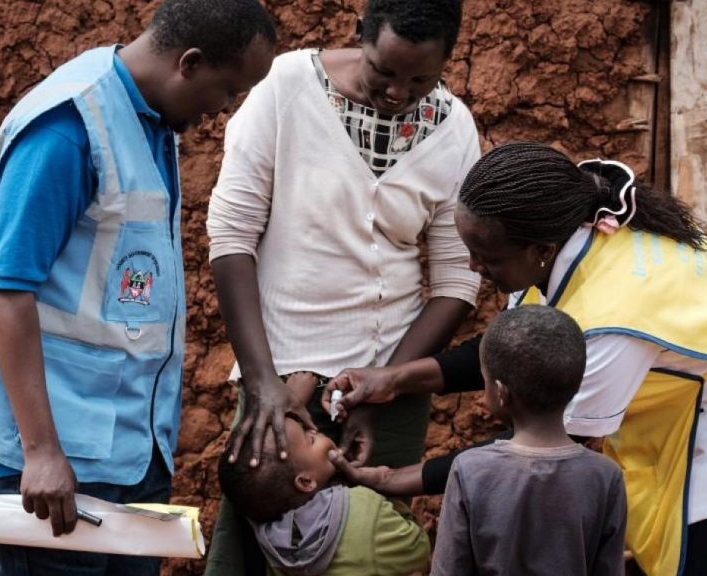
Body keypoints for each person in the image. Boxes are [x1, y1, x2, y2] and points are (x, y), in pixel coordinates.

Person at [324, 142, 707, 576]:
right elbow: (512, 350)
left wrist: (399, 478)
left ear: (537, 251)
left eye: (485, 256)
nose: (472, 267)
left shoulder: (608, 322)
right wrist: (395, 378)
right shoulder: (577, 228)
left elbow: (538, 446)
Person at [0, 1, 276, 574]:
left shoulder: (147, 116)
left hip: (126, 450)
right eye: (227, 90)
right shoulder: (68, 131)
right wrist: (41, 452)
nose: (223, 110)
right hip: (57, 461)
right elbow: (7, 289)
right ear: (190, 63)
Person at [205, 0, 481, 572]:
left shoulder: (453, 128)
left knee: (366, 553)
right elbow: (232, 235)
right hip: (280, 384)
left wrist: (388, 385)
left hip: (393, 389)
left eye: (421, 79)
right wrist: (262, 381)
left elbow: (457, 280)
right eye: (383, 71)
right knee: (245, 556)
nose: (399, 93)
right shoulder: (287, 87)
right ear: (360, 33)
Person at [429, 305, 626, 576]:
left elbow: (448, 570)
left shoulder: (471, 470)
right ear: (576, 384)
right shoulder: (605, 477)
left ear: (500, 392)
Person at [217, 373, 430, 576]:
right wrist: (381, 493)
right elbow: (418, 548)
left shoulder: (269, 540)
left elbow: (249, 478)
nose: (314, 430)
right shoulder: (363, 506)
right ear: (306, 481)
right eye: (310, 439)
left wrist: (294, 400)